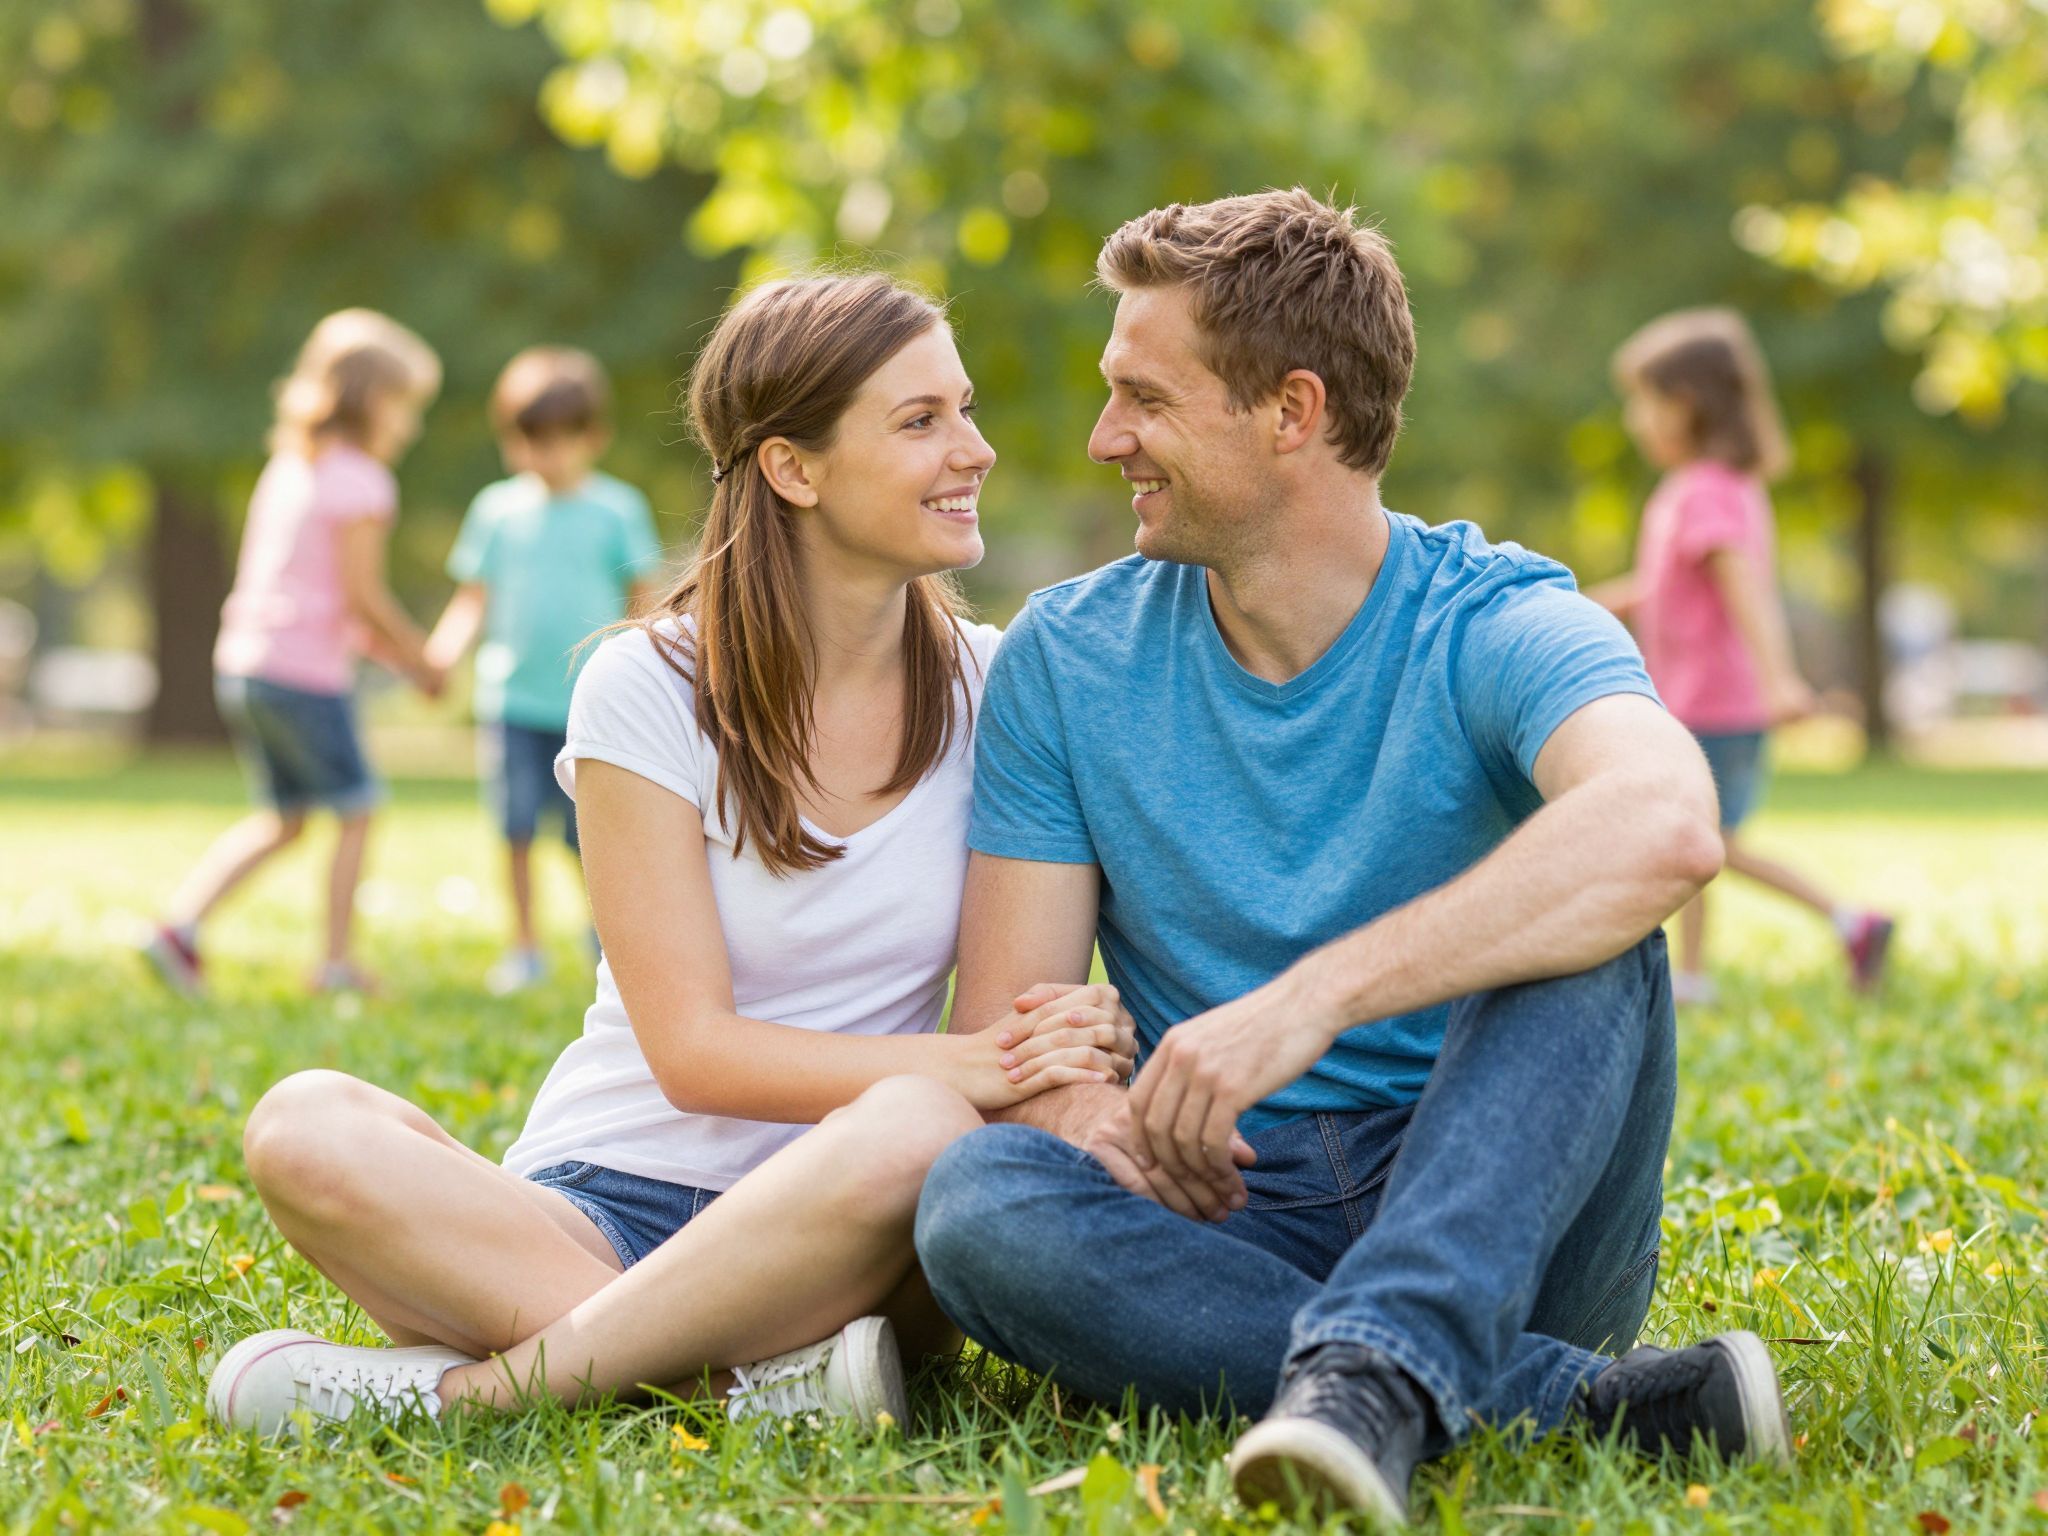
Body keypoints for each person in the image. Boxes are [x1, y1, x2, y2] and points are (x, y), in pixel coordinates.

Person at [911, 191, 1791, 1524]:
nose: (1105, 440)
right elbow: (1010, 1033)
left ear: (1292, 411)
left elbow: (1669, 822)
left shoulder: (1495, 618)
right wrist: (1091, 1117)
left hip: (1503, 1198)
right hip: (1224, 1213)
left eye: (1144, 399)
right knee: (975, 1202)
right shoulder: (1066, 657)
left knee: (1593, 921)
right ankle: (1551, 1403)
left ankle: (1381, 1367)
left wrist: (1306, 1002)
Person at [204, 274, 1136, 1437]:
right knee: (303, 1121)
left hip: (847, 1222)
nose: (975, 450)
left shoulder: (999, 687)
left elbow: (985, 1062)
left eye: (963, 408)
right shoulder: (644, 685)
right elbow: (692, 1054)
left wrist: (991, 1076)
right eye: (919, 421)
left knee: (920, 1128)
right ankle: (735, 1390)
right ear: (793, 469)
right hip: (603, 1205)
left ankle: (473, 1397)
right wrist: (978, 1066)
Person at [1591, 308, 1894, 1006]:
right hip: (1705, 697)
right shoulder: (1716, 488)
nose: (1635, 421)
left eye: (1644, 402)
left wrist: (1779, 675)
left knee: (1701, 841)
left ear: (1686, 404)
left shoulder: (1703, 491)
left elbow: (1743, 589)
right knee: (1697, 840)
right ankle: (1698, 973)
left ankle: (1848, 921)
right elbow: (1670, 586)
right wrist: (1586, 603)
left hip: (1714, 701)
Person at [145, 309, 445, 998]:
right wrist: (421, 659)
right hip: (302, 674)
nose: (410, 426)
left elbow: (324, 594)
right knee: (358, 807)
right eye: (406, 408)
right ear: (372, 400)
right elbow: (365, 598)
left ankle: (178, 930)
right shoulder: (362, 482)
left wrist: (400, 659)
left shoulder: (291, 468)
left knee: (284, 819)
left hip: (249, 664)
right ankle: (337, 963)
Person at [424, 347, 665, 994]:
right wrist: (442, 656)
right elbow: (474, 596)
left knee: (592, 837)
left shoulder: (617, 509)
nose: (543, 456)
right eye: (528, 441)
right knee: (516, 828)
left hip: (592, 706)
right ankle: (524, 946)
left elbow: (640, 598)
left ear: (594, 437)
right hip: (512, 701)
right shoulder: (497, 511)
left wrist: (646, 668)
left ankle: (604, 942)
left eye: (559, 441)